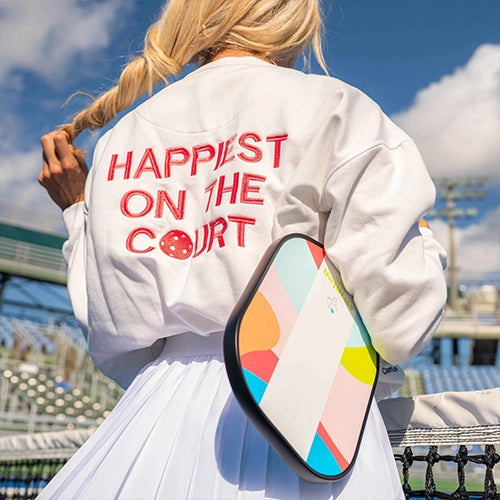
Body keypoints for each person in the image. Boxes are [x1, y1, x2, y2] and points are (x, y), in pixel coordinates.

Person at [37, 0, 447, 498]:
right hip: (302, 415)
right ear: (292, 22)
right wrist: (423, 239)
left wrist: (76, 213)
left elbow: (110, 327)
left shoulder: (123, 137)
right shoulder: (338, 106)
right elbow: (399, 325)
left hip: (152, 420)